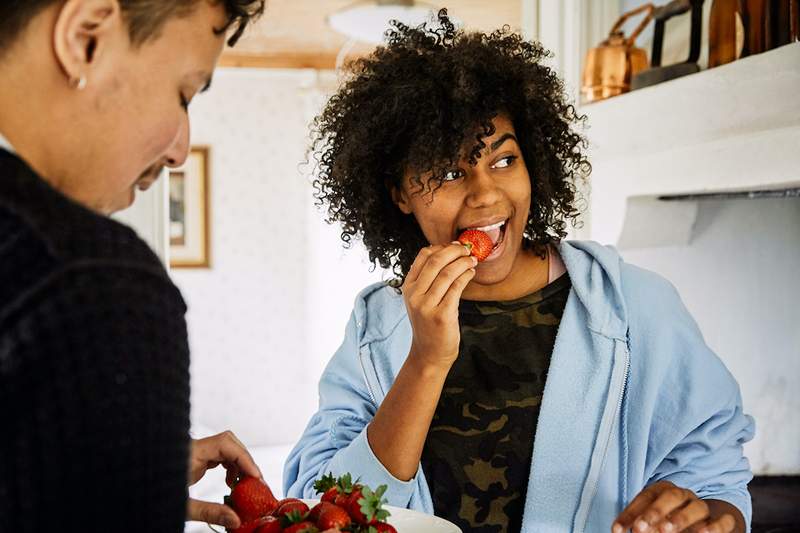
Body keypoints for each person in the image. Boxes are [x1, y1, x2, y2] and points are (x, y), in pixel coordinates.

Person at [283, 11, 755, 533]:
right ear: (398, 194)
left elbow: (716, 484)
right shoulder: (379, 325)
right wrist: (425, 361)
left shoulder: (634, 305)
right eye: (448, 172)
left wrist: (706, 519)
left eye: (504, 161)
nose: (486, 194)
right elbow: (322, 506)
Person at [0, 1, 265, 531]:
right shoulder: (99, 285)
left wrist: (112, 479)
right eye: (184, 94)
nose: (180, 151)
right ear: (86, 38)